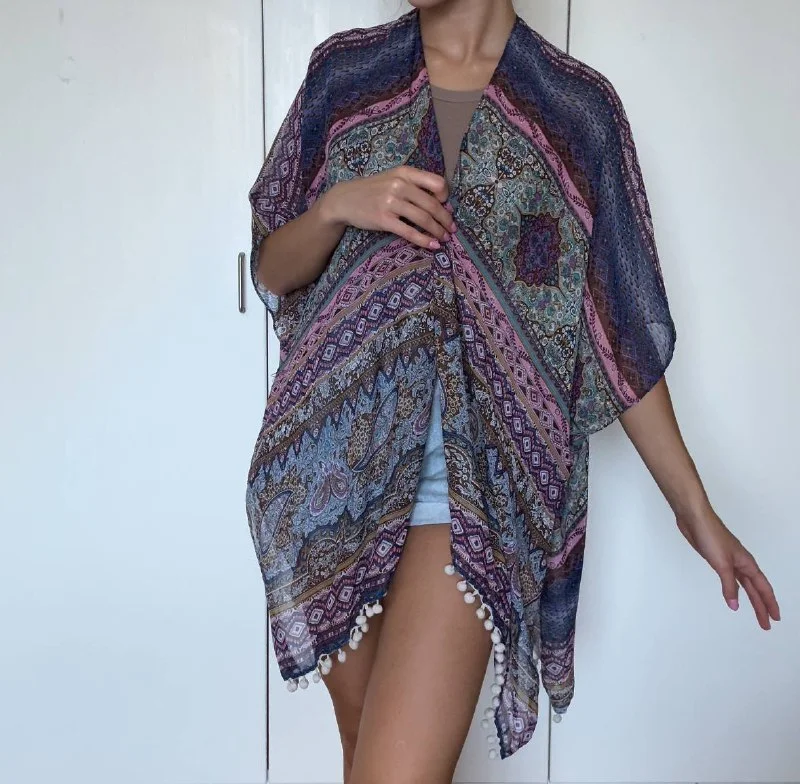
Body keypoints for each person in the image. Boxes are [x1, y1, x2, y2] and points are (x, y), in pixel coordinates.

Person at [245, 1, 781, 782]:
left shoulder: (575, 112)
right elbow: (271, 267)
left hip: (476, 491)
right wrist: (336, 205)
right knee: (365, 758)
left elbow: (617, 337)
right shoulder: (347, 74)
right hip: (330, 476)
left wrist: (694, 511)